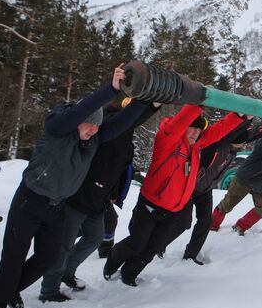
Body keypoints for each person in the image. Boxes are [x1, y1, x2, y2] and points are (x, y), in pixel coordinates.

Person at [0, 65, 153, 308]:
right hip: (30, 201)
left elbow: (123, 122)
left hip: (56, 207)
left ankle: (11, 290)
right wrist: (111, 89)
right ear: (78, 119)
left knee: (47, 258)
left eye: (97, 127)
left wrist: (149, 103)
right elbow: (77, 114)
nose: (93, 130)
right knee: (14, 256)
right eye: (89, 124)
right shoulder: (58, 129)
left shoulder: (93, 139)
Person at [103, 104, 245, 286]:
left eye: (198, 129)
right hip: (150, 205)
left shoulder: (197, 146)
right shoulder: (167, 139)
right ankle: (111, 264)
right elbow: (178, 124)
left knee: (151, 248)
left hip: (173, 211)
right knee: (136, 243)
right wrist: (197, 103)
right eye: (192, 128)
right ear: (184, 126)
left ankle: (129, 274)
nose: (195, 133)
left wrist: (238, 116)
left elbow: (217, 132)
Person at [38, 98, 159, 302]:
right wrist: (148, 107)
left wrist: (154, 106)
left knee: (94, 238)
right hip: (79, 194)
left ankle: (68, 271)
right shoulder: (106, 122)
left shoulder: (125, 128)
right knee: (64, 244)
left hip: (99, 198)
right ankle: (49, 289)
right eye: (130, 108)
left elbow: (121, 164)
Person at [157, 118, 262, 265]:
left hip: (205, 190)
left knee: (206, 223)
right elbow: (244, 134)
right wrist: (245, 120)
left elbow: (250, 136)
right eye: (242, 140)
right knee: (183, 223)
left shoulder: (233, 151)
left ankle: (190, 255)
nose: (245, 143)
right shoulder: (218, 145)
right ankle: (158, 245)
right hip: (190, 188)